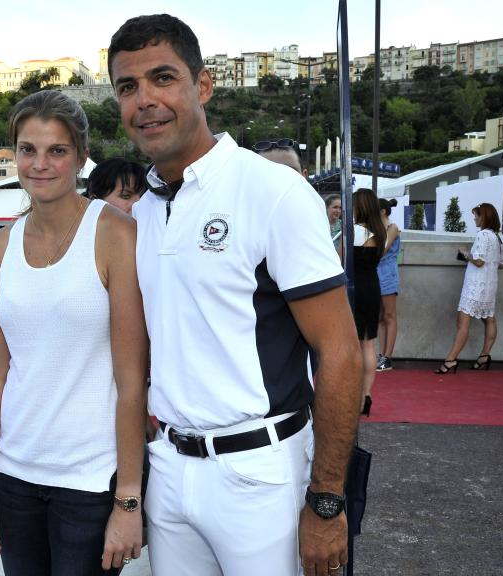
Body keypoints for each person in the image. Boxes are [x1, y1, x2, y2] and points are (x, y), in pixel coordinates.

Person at [109, 15, 360, 576]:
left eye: (163, 78)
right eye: (128, 87)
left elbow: (340, 351)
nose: (145, 100)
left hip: (260, 476)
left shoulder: (272, 192)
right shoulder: (141, 213)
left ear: (203, 86)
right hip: (169, 470)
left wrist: (326, 500)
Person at [0, 89, 147, 575]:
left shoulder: (114, 234)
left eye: (57, 151)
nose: (40, 164)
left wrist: (128, 499)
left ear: (81, 157)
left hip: (90, 481)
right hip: (16, 478)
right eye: (28, 150)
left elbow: (133, 380)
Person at [436, 203, 503, 374]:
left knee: (462, 323)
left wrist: (465, 253)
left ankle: (451, 359)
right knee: (489, 319)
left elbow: (479, 261)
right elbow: (502, 264)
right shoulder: (499, 236)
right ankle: (484, 356)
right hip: (490, 285)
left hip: (475, 285)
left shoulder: (483, 235)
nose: (475, 218)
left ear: (485, 217)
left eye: (477, 215)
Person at [351, 189, 387, 416]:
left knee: (353, 343)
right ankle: (366, 394)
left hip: (354, 289)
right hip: (373, 287)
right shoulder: (380, 233)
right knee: (369, 343)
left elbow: (339, 261)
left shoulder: (354, 231)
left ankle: (354, 394)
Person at [376, 198, 401, 372]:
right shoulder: (376, 228)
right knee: (380, 317)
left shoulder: (392, 228)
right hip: (376, 274)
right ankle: (382, 355)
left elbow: (381, 250)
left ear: (383, 211)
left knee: (389, 316)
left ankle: (387, 357)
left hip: (387, 274)